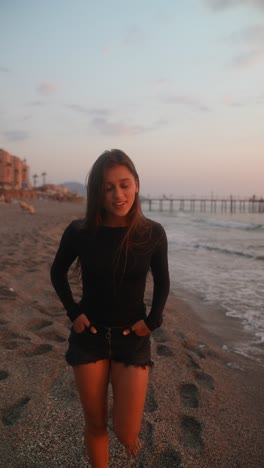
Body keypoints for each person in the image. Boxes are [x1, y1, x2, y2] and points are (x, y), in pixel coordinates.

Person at [50, 149, 170, 468]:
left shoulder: (153, 233)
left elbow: (163, 281)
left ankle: (130, 438)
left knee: (125, 432)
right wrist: (74, 313)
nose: (118, 194)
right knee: (97, 425)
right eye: (108, 187)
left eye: (124, 184)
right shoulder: (80, 232)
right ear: (97, 193)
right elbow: (57, 272)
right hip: (89, 337)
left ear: (137, 185)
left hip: (132, 339)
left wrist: (152, 321)